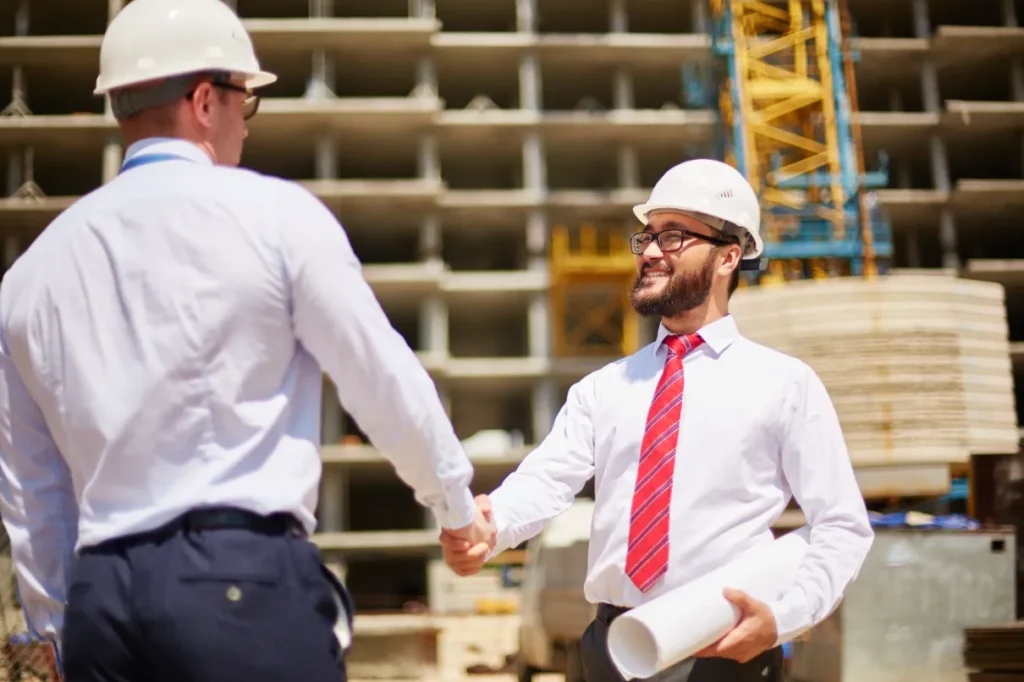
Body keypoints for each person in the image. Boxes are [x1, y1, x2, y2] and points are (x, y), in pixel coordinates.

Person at [0, 1, 490, 680]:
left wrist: (57, 627)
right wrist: (456, 506)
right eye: (245, 104)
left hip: (101, 602)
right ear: (205, 100)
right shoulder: (274, 216)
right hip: (237, 581)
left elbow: (32, 486)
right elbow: (380, 378)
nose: (246, 128)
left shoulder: (31, 275)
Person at [440, 159, 874, 682]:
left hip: (722, 652)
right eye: (646, 237)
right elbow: (545, 481)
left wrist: (782, 620)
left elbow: (842, 525)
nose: (648, 252)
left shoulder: (785, 385)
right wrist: (491, 525)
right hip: (610, 651)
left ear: (728, 256)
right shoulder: (602, 388)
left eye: (672, 237)